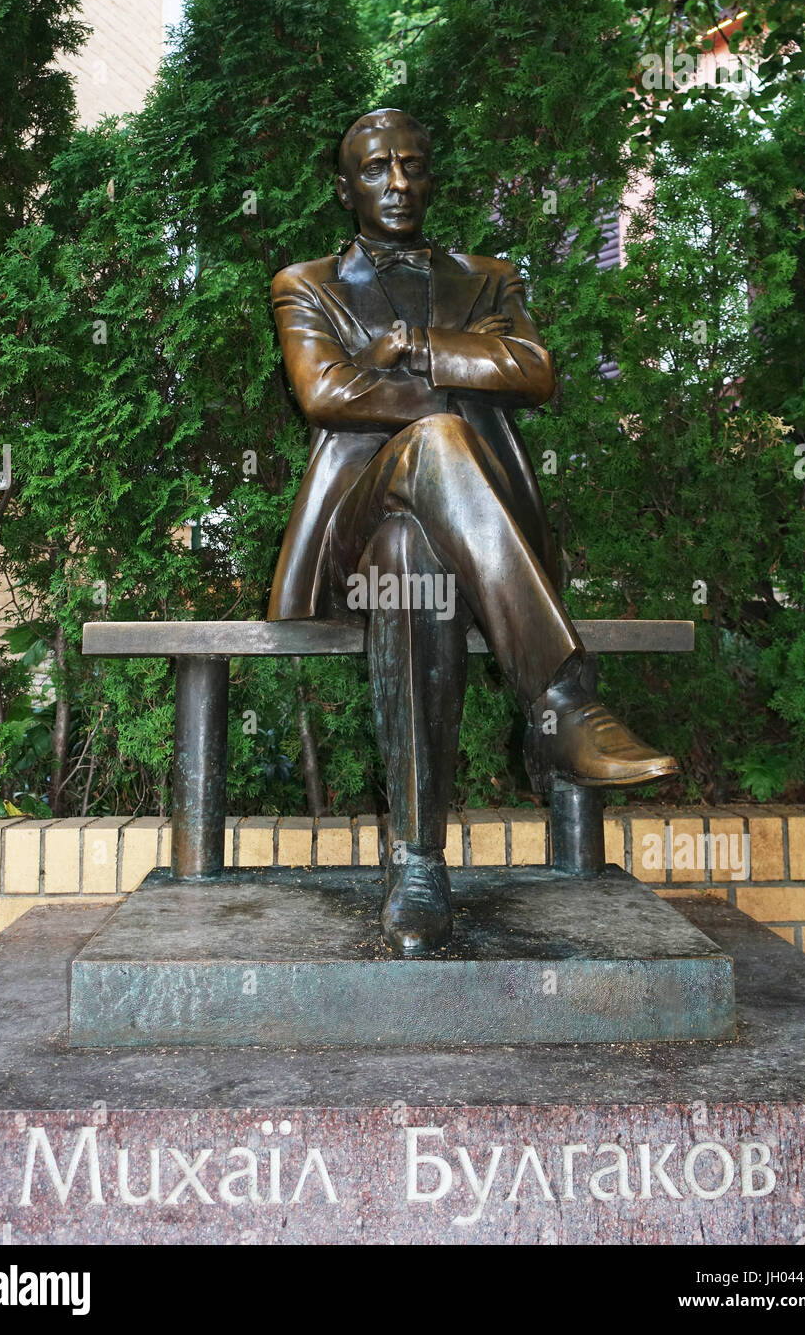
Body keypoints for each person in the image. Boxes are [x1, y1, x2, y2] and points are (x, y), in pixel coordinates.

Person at [268, 109, 677, 955]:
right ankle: (562, 702)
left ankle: (419, 867)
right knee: (439, 440)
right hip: (354, 531)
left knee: (413, 551)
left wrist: (410, 346)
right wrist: (451, 385)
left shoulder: (487, 279)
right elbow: (325, 394)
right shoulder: (306, 285)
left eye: (413, 166)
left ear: (433, 177)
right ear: (344, 189)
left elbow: (535, 370)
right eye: (376, 170)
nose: (398, 183)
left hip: (455, 550)